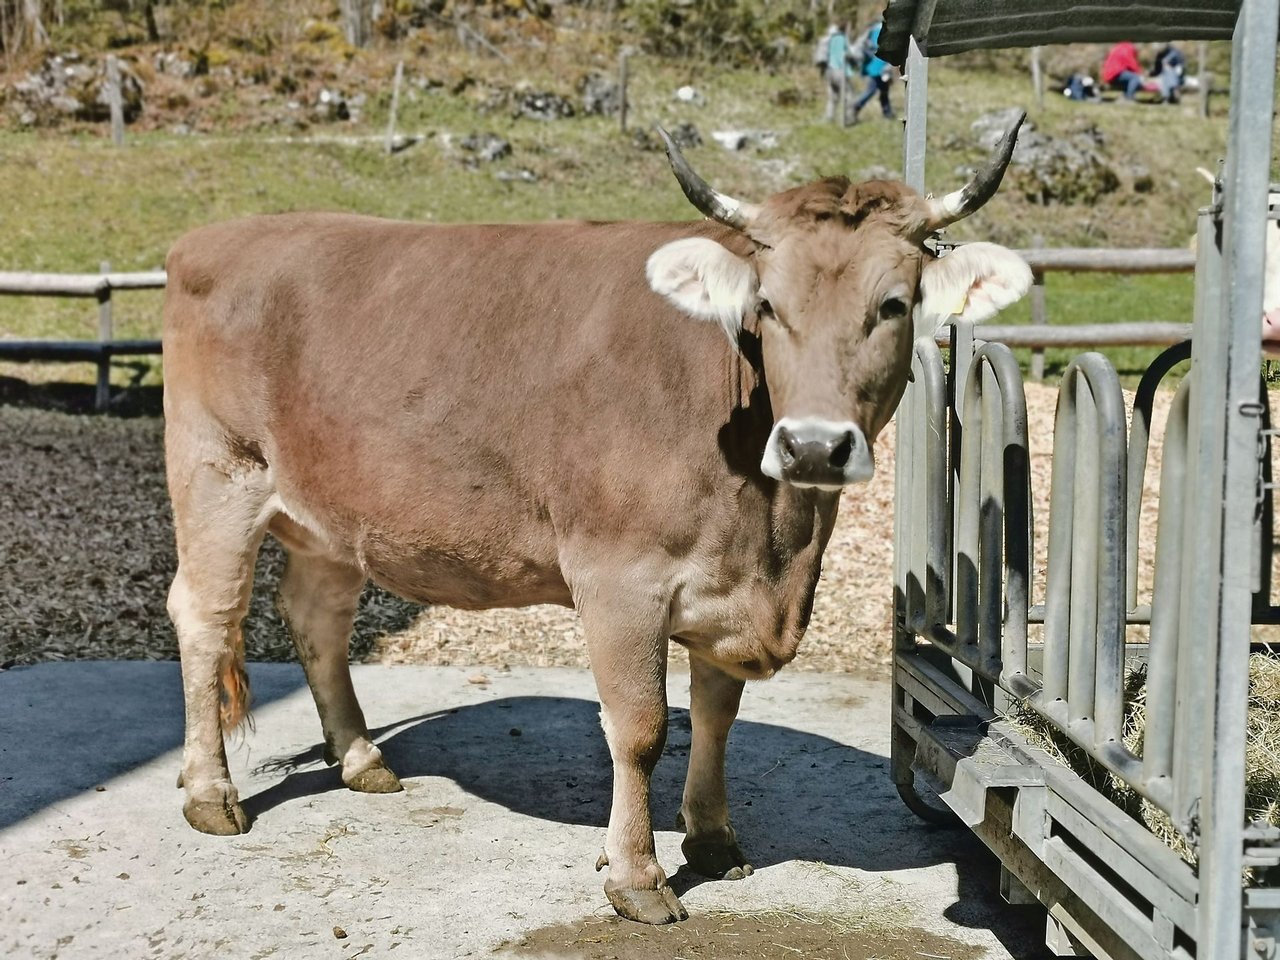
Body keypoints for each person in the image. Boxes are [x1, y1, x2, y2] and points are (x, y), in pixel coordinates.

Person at [851, 18, 894, 122]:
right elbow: (881, 48)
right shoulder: (881, 31)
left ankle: (887, 113)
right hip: (878, 66)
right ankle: (857, 105)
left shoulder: (872, 30)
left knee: (884, 90)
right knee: (872, 90)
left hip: (874, 65)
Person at [819, 22, 856, 124]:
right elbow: (850, 54)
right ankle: (848, 119)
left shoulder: (827, 40)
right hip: (840, 70)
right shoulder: (842, 38)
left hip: (829, 71)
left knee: (832, 97)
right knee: (849, 95)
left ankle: (828, 118)